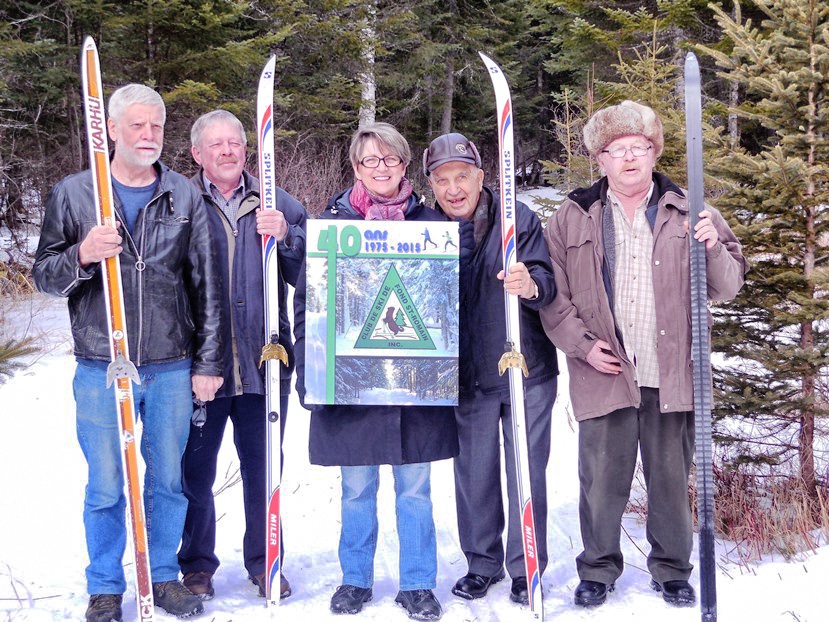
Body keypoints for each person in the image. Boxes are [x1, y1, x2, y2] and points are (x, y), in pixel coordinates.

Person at [539, 101, 747, 608]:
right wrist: (584, 348)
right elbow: (553, 296)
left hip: (671, 372)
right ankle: (598, 569)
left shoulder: (691, 209)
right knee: (600, 480)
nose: (629, 159)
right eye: (617, 151)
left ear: (653, 153)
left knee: (672, 480)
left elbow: (728, 286)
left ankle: (673, 570)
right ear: (601, 159)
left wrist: (713, 246)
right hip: (605, 369)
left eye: (639, 148)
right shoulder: (573, 216)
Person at [33, 84, 224, 622]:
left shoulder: (185, 194)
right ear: (110, 130)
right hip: (101, 363)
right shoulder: (75, 194)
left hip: (169, 363)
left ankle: (162, 576)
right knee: (106, 484)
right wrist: (82, 255)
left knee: (167, 480)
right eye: (137, 125)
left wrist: (208, 362)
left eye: (157, 127)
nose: (148, 135)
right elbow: (44, 276)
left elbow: (206, 285)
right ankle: (105, 586)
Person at [294, 122, 458, 621]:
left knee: (415, 489)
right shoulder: (330, 224)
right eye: (370, 160)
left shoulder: (432, 227)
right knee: (357, 487)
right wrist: (313, 373)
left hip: (415, 380)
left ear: (405, 166)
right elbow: (311, 304)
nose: (380, 169)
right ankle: (354, 579)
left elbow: (450, 308)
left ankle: (417, 583)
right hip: (352, 382)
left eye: (390, 160)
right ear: (355, 167)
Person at [423, 133, 559, 606]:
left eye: (463, 176)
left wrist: (530, 283)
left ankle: (526, 564)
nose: (454, 188)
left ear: (481, 177)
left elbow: (547, 280)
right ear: (431, 186)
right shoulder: (424, 227)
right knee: (474, 473)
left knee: (527, 470)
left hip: (525, 368)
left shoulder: (515, 218)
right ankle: (483, 562)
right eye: (443, 180)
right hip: (465, 375)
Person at [176, 110, 307, 602]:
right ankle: (196, 566)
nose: (227, 151)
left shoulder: (279, 202)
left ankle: (264, 560)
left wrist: (287, 237)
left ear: (247, 149)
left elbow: (311, 274)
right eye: (216, 145)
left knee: (263, 469)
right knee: (195, 474)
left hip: (264, 365)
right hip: (200, 369)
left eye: (235, 142)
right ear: (197, 154)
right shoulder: (180, 203)